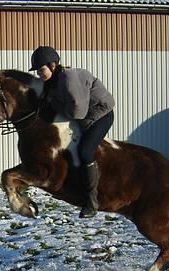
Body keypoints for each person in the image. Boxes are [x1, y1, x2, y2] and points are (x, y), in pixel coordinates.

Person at [29, 46, 115, 218]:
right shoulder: (51, 81)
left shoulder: (69, 77)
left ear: (53, 65)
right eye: (37, 71)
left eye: (41, 69)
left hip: (101, 115)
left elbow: (78, 113)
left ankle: (92, 201)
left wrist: (53, 103)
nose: (39, 74)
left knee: (84, 151)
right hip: (83, 118)